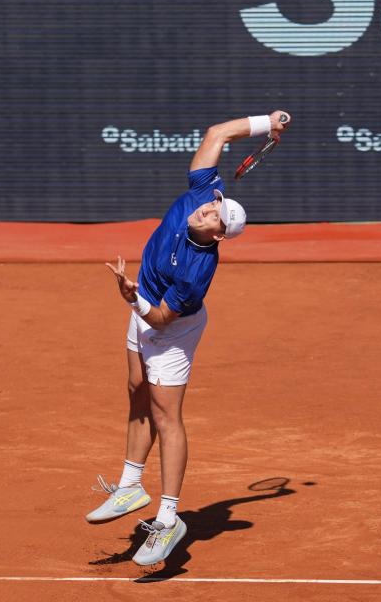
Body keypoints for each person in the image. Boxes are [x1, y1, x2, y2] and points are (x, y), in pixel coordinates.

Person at [86, 110, 290, 566]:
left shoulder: (197, 271)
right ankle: (129, 487)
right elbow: (218, 133)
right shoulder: (201, 191)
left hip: (170, 327)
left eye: (213, 213)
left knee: (166, 415)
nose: (205, 208)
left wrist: (128, 297)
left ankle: (169, 517)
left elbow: (159, 320)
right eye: (210, 202)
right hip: (143, 302)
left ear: (219, 234)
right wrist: (267, 122)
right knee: (136, 391)